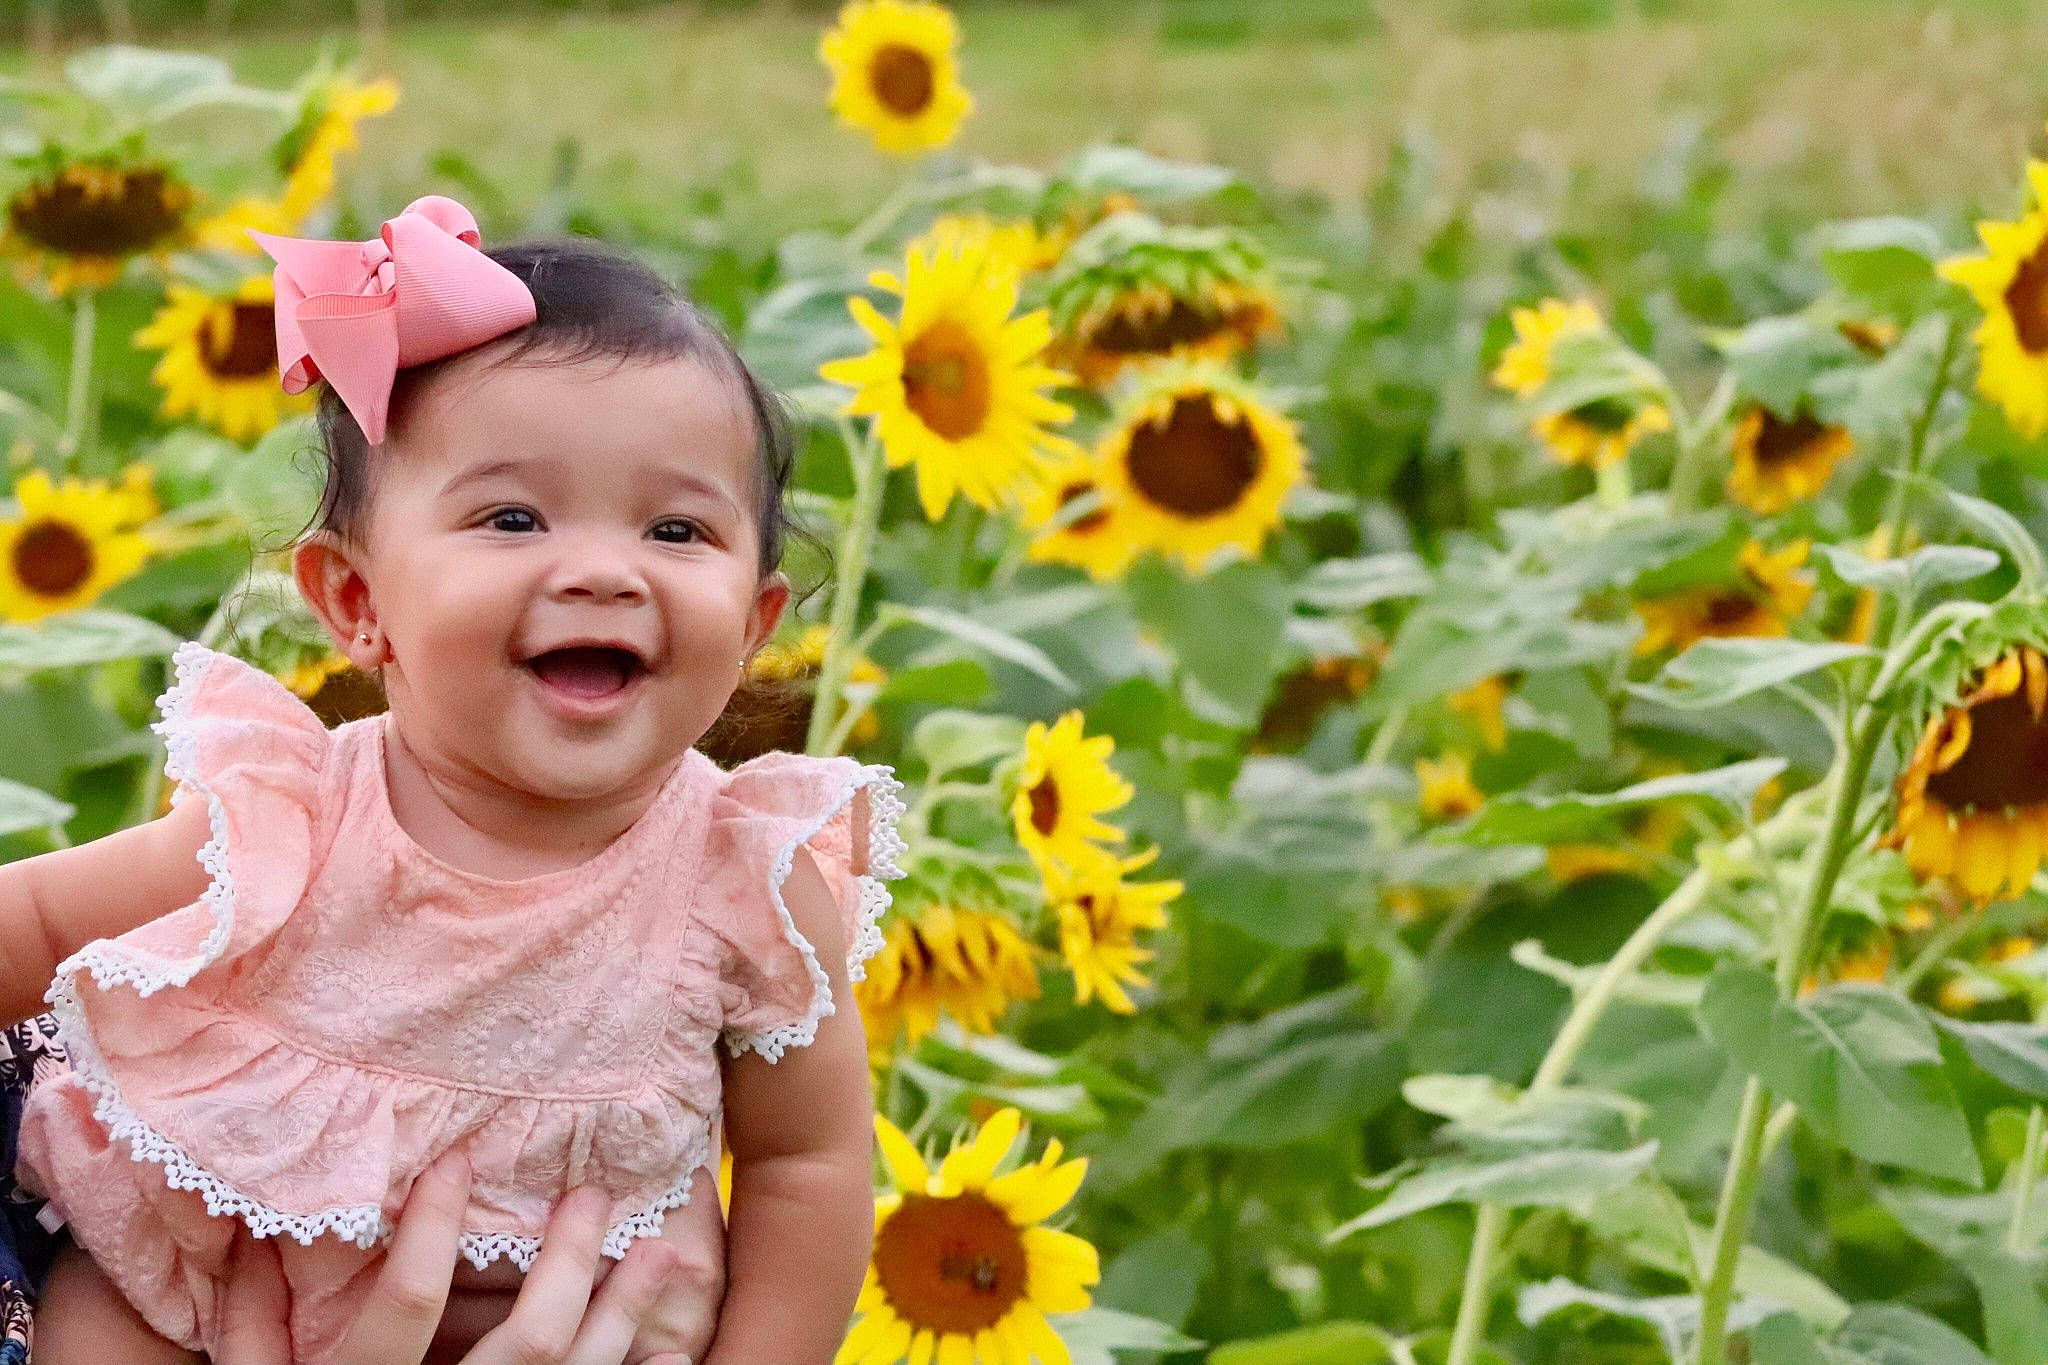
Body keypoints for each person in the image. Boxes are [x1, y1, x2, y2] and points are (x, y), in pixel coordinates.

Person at [0, 195, 901, 1364]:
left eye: (676, 533)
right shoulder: (290, 819)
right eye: (513, 517)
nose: (601, 572)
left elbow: (806, 1164)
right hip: (204, 1308)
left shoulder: (745, 883)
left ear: (754, 623)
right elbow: (29, 919)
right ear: (357, 604)